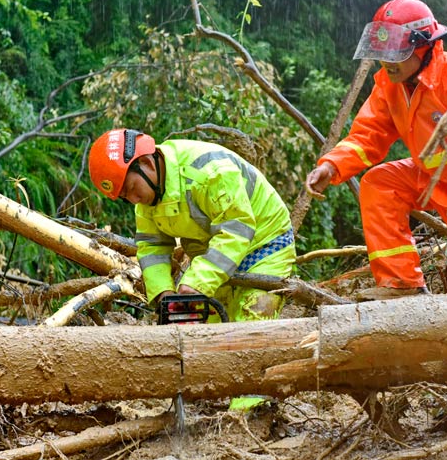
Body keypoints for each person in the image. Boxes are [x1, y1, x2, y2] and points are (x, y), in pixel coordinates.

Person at [305, 0, 447, 299]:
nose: (387, 62)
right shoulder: (390, 84)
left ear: (423, 46)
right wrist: (331, 166)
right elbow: (367, 135)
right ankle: (402, 287)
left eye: (396, 53)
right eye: (383, 52)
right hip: (436, 175)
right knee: (379, 185)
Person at [89, 129, 296, 409]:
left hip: (264, 244)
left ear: (147, 164)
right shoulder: (147, 202)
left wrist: (196, 282)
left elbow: (236, 229)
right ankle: (203, 405)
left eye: (131, 189)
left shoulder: (209, 171)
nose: (134, 200)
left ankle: (248, 417)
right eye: (125, 197)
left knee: (253, 322)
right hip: (213, 256)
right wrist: (163, 293)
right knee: (200, 331)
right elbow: (152, 248)